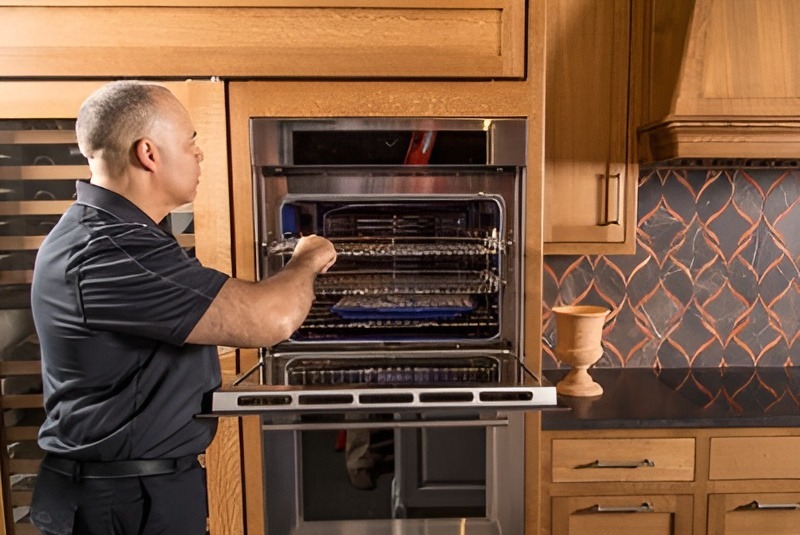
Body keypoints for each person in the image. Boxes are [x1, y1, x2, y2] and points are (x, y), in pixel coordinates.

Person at [28, 80, 337, 534]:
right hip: (122, 501)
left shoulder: (123, 236)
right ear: (149, 153)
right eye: (190, 141)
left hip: (134, 489)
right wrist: (308, 258)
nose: (199, 154)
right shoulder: (110, 250)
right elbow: (270, 318)